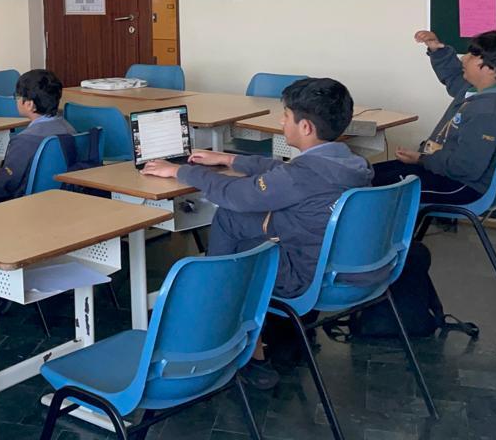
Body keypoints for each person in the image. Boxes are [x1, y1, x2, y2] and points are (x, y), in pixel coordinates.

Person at [140, 77, 372, 389]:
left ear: (305, 128)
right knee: (240, 229)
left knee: (229, 216)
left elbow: (239, 194)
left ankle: (229, 332)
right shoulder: (350, 162)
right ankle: (228, 309)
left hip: (304, 276)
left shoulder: (300, 176)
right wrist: (229, 159)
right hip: (340, 264)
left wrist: (181, 170)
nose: (281, 120)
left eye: (286, 116)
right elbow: (282, 171)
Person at [372, 30, 496, 205]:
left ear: (489, 68)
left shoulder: (490, 111)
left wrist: (421, 159)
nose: (464, 59)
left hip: (463, 186)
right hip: (445, 171)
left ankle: (383, 231)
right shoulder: (484, 92)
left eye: (472, 56)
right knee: (368, 174)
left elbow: (466, 168)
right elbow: (454, 77)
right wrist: (437, 50)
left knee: (372, 188)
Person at [0, 69, 75, 206]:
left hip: (27, 205)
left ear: (29, 104)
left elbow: (8, 184)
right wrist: (4, 175)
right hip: (65, 199)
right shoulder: (70, 129)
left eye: (17, 96)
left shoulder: (24, 140)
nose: (16, 99)